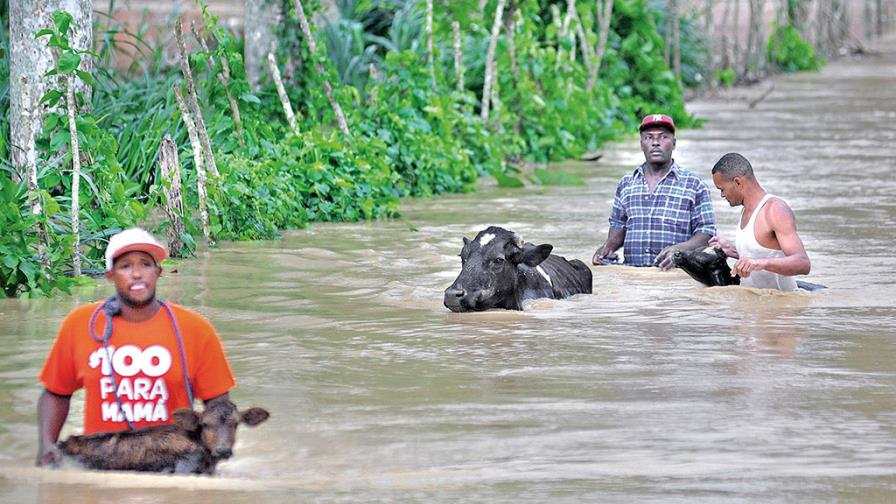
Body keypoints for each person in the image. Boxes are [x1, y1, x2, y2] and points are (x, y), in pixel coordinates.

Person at [36, 227, 236, 467]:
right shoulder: (81, 325)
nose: (137, 273)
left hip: (171, 464)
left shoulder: (196, 329)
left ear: (158, 272)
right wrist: (47, 445)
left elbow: (219, 408)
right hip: (99, 462)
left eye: (145, 264)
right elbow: (57, 393)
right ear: (111, 275)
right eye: (126, 266)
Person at [592, 114, 716, 269]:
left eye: (663, 137)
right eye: (649, 137)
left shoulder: (695, 185)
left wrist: (680, 251)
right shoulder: (626, 183)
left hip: (676, 277)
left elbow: (707, 234)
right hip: (633, 278)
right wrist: (606, 249)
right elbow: (618, 226)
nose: (656, 142)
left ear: (674, 143)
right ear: (641, 144)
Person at [708, 153, 810, 291]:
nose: (722, 195)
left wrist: (760, 263)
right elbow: (762, 254)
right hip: (752, 306)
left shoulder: (775, 210)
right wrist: (732, 250)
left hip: (781, 309)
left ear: (738, 182)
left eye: (722, 189)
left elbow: (803, 263)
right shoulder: (745, 210)